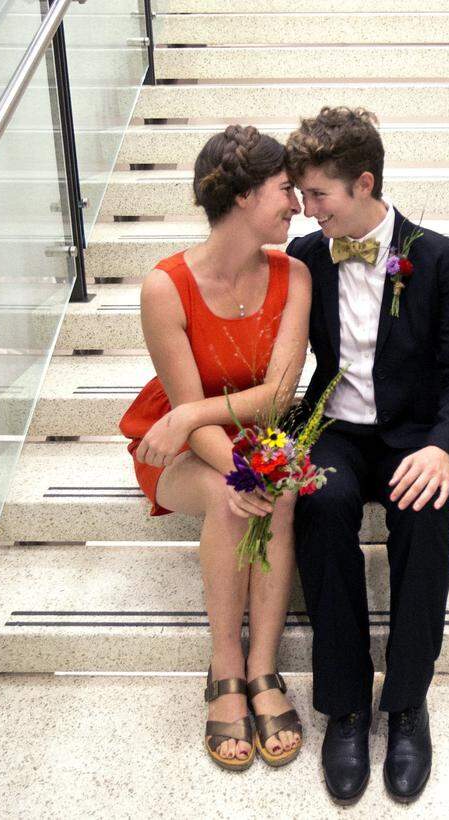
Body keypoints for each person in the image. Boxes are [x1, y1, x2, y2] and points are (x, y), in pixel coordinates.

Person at [284, 107, 449, 804]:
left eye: (318, 196)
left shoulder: (436, 256)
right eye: (303, 196)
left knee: (425, 513)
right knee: (323, 500)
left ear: (364, 183)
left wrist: (444, 449)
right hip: (336, 430)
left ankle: (406, 704)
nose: (306, 212)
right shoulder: (307, 258)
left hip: (412, 434)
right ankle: (343, 705)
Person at [119, 125, 312, 771]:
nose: (297, 203)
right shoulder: (164, 287)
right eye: (286, 189)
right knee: (237, 503)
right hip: (175, 447)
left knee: (277, 498)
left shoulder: (295, 274)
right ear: (242, 196)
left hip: (242, 432)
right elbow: (181, 416)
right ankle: (225, 666)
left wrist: (201, 417)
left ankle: (264, 670)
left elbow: (281, 395)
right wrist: (233, 467)